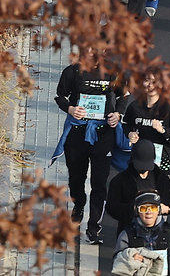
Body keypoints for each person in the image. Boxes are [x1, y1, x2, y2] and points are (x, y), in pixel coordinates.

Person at [53, 50, 122, 244]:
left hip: (103, 135)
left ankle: (94, 228)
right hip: (77, 134)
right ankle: (78, 206)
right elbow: (60, 96)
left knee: (99, 183)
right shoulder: (72, 72)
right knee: (76, 179)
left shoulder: (112, 71)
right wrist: (70, 109)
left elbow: (124, 95)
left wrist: (118, 114)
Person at [107, 140, 170, 234]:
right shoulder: (120, 180)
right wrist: (133, 209)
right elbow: (111, 207)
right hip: (129, 232)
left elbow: (169, 202)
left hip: (157, 234)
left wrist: (167, 208)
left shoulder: (161, 178)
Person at [123, 77, 170, 179]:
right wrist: (130, 134)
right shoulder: (134, 107)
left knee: (163, 195)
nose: (151, 85)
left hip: (164, 163)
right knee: (137, 193)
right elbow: (125, 123)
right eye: (147, 80)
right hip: (139, 162)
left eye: (155, 81)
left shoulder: (169, 108)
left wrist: (163, 130)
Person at [113, 193, 170, 276]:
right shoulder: (127, 234)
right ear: (137, 211)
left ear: (159, 211)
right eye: (144, 208)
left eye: (153, 208)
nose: (149, 212)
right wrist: (129, 256)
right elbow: (117, 258)